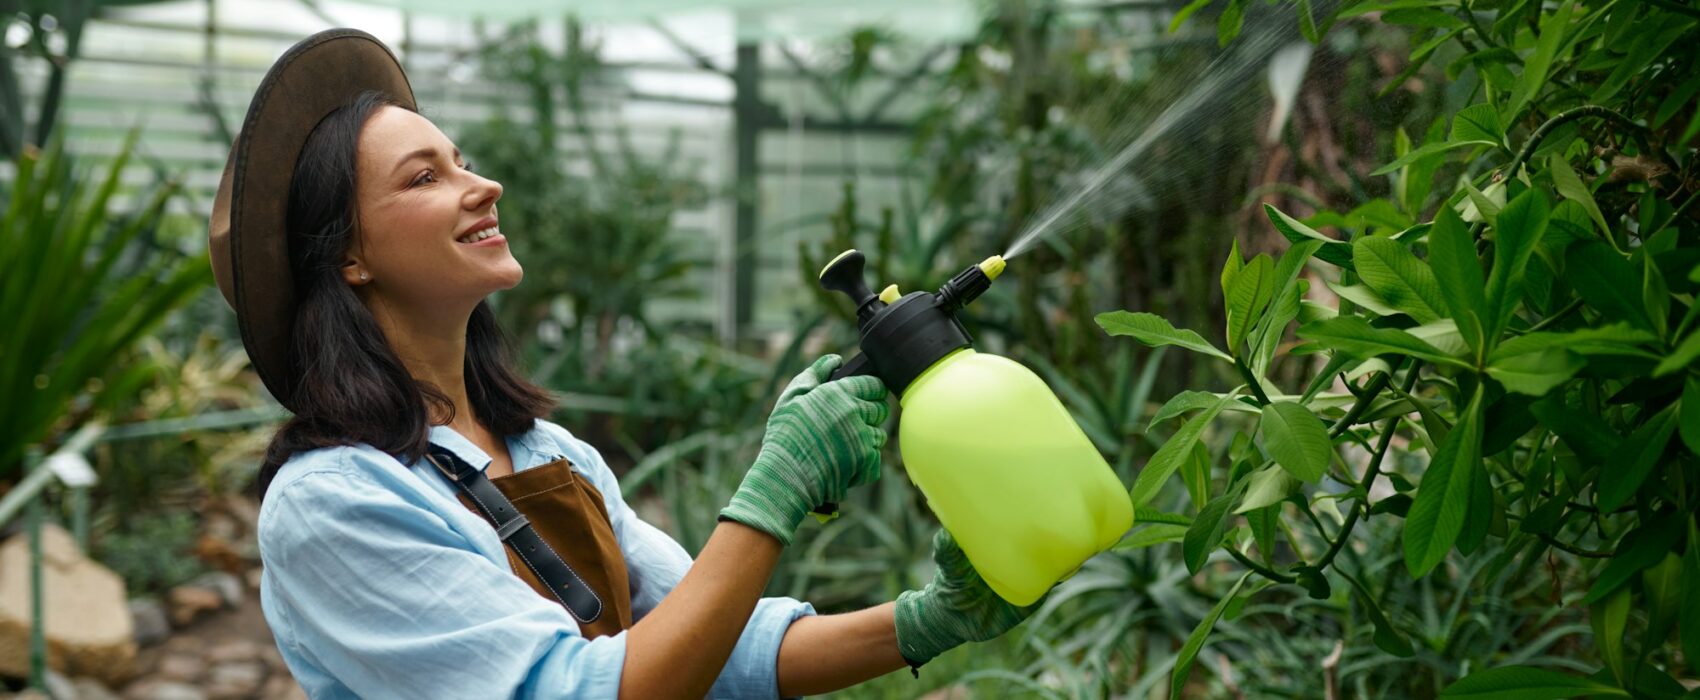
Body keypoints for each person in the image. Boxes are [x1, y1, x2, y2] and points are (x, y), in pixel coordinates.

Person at [206, 28, 1038, 699]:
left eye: (464, 160)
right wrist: (774, 491)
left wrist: (929, 621)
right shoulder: (335, 502)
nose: (484, 185)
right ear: (350, 255)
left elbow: (715, 650)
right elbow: (575, 691)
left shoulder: (549, 454)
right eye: (427, 177)